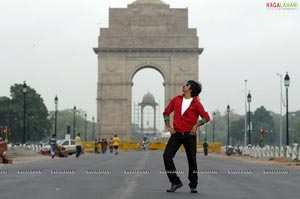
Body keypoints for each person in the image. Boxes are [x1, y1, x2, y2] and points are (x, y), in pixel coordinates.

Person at [163, 80, 210, 193]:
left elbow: (206, 117)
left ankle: (193, 184)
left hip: (190, 135)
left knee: (192, 160)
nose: (184, 85)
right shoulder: (176, 100)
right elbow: (166, 113)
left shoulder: (196, 104)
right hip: (176, 134)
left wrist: (196, 125)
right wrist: (168, 127)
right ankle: (175, 182)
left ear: (191, 89)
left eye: (187, 84)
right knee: (166, 156)